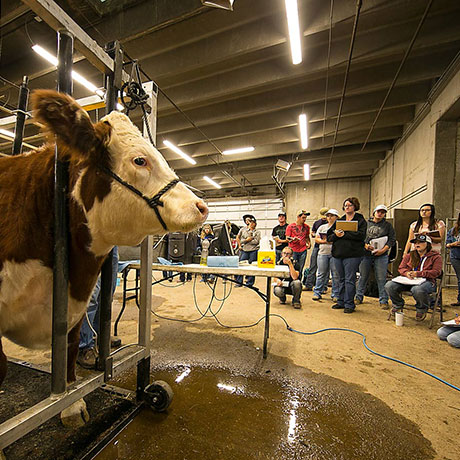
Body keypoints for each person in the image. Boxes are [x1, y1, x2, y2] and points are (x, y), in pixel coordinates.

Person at [78, 246, 120, 368]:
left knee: (107, 292)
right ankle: (83, 346)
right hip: (91, 240)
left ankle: (100, 335)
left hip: (112, 243)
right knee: (91, 296)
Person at [385, 234, 442, 321]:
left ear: (428, 244)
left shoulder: (435, 257)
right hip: (409, 281)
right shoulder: (410, 255)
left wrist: (420, 273)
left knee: (417, 290)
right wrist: (406, 273)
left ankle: (421, 309)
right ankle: (398, 304)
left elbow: (436, 272)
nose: (417, 245)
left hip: (427, 281)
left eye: (421, 242)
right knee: (389, 285)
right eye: (415, 243)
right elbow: (401, 268)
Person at [327, 197, 367, 313]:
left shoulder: (360, 220)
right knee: (341, 279)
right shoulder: (340, 221)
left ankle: (349, 304)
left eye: (349, 205)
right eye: (345, 205)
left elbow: (360, 235)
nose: (347, 207)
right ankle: (341, 301)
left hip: (353, 255)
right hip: (338, 254)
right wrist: (336, 235)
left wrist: (344, 234)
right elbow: (329, 237)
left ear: (355, 206)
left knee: (350, 279)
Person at [355, 204, 396, 310]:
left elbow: (391, 240)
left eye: (382, 212)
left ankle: (383, 300)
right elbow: (360, 237)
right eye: (378, 211)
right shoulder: (366, 224)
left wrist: (383, 250)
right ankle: (358, 297)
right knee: (363, 276)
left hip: (381, 255)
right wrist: (365, 245)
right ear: (374, 212)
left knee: (381, 278)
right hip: (365, 254)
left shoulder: (388, 226)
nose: (380, 214)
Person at [312, 209, 340, 301]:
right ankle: (317, 292)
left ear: (336, 217)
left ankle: (335, 294)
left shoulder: (339, 228)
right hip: (323, 253)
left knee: (335, 275)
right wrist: (326, 241)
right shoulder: (322, 227)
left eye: (332, 216)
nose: (330, 218)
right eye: (328, 216)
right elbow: (316, 239)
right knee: (321, 273)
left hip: (335, 254)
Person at [304, 207, 329, 291]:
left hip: (327, 248)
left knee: (325, 269)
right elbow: (313, 232)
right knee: (313, 266)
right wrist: (313, 234)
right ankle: (309, 284)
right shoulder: (317, 223)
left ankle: (323, 287)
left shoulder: (332, 224)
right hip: (317, 246)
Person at [286, 210, 311, 281]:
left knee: (301, 267)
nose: (304, 219)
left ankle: (299, 281)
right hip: (293, 250)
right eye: (303, 218)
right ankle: (292, 281)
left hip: (303, 250)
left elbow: (307, 237)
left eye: (305, 218)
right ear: (298, 217)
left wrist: (309, 243)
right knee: (293, 266)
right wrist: (293, 240)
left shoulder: (306, 227)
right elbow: (287, 238)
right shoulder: (290, 226)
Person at [235, 217, 261, 287]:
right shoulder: (243, 230)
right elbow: (241, 240)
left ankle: (249, 283)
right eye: (250, 222)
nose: (251, 224)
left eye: (253, 222)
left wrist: (247, 240)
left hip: (253, 251)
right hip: (244, 250)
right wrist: (248, 240)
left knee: (252, 267)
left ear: (255, 224)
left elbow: (256, 242)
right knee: (240, 265)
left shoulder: (257, 232)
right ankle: (239, 282)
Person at [446, 213, 460, 307]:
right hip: (456, 256)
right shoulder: (453, 230)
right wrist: (453, 244)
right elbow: (447, 244)